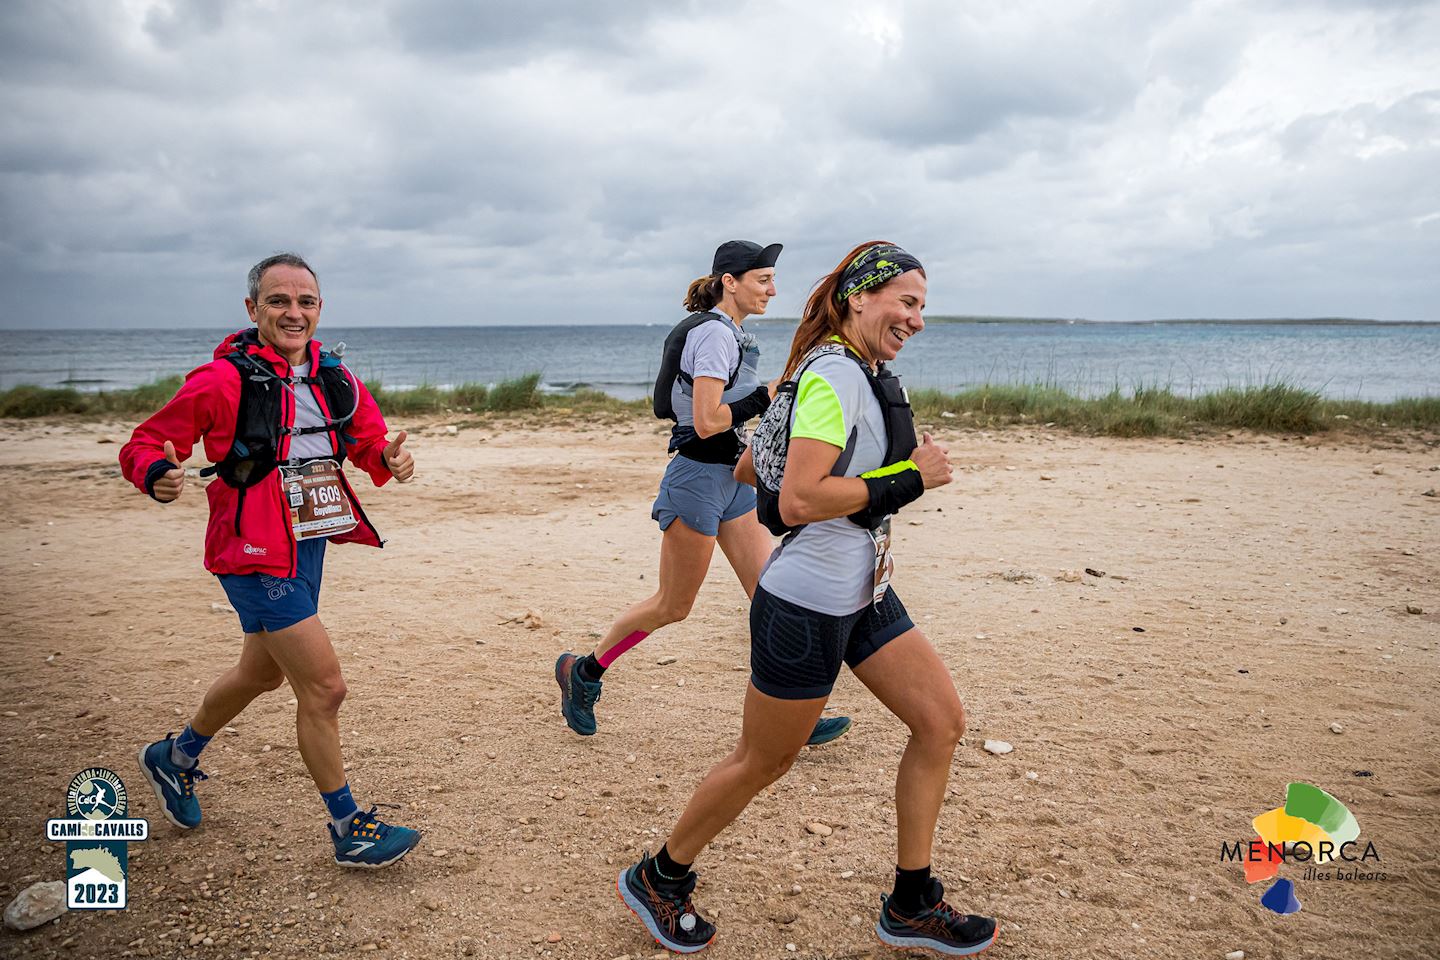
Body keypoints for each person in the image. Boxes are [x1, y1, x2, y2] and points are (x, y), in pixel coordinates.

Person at [615, 242, 998, 956]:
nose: (915, 319)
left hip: (866, 592)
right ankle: (659, 876)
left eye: (922, 307)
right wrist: (910, 477)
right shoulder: (836, 377)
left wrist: (799, 455)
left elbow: (749, 466)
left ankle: (911, 902)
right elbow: (796, 497)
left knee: (940, 723)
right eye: (905, 302)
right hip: (805, 606)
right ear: (860, 297)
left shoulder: (856, 371)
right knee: (762, 762)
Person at [120, 253, 423, 869]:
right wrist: (154, 473)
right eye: (279, 301)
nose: (293, 312)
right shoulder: (221, 381)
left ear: (319, 309)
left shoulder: (335, 375)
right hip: (250, 550)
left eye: (305, 301)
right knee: (325, 686)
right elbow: (147, 441)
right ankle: (348, 827)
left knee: (262, 674)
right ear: (252, 308)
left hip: (307, 537)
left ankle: (174, 758)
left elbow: (365, 439)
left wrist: (387, 460)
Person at [554, 240, 850, 748]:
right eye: (763, 280)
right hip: (696, 481)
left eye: (773, 280)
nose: (772, 290)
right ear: (729, 282)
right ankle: (584, 670)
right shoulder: (714, 336)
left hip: (733, 478)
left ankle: (791, 715)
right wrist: (770, 394)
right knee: (673, 604)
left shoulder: (731, 333)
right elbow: (709, 420)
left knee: (772, 595)